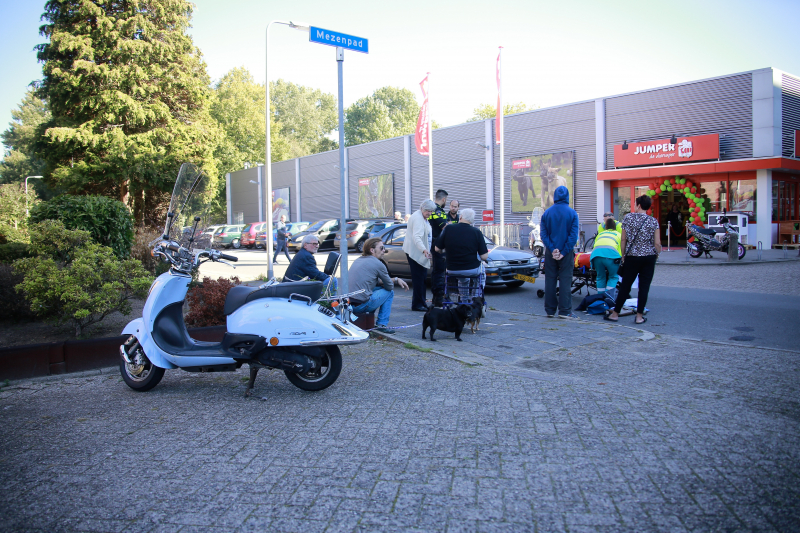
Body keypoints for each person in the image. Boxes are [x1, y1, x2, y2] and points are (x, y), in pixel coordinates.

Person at [606, 195, 661, 325]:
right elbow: (657, 243)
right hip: (648, 258)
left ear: (639, 205)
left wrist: (623, 254)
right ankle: (639, 316)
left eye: (635, 204)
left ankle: (615, 314)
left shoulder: (628, 218)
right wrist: (657, 254)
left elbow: (623, 239)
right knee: (644, 287)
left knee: (625, 285)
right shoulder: (653, 221)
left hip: (631, 257)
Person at [349, 237, 409, 334]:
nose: (384, 251)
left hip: (349, 304)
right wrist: (390, 282)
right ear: (372, 250)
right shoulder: (378, 264)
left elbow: (372, 281)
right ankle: (381, 324)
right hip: (360, 306)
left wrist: (396, 279)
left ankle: (370, 318)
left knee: (379, 289)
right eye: (381, 248)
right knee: (389, 293)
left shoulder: (359, 260)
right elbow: (389, 287)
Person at [540, 185, 580, 319]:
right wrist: (563, 252)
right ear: (567, 196)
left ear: (555, 196)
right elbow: (573, 236)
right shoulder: (572, 213)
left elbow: (544, 235)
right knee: (565, 280)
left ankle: (550, 310)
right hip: (566, 253)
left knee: (550, 280)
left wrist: (552, 249)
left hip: (550, 253)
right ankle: (565, 311)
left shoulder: (547, 213)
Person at [434, 208, 488, 301]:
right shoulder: (476, 232)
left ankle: (464, 300)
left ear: (461, 217)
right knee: (481, 274)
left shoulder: (448, 228)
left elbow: (437, 248)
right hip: (471, 269)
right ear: (472, 220)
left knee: (463, 279)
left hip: (452, 269)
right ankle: (475, 298)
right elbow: (484, 256)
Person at [403, 199, 436, 311]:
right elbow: (416, 237)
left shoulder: (422, 217)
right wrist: (424, 250)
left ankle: (421, 302)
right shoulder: (417, 218)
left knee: (422, 279)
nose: (429, 213)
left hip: (419, 252)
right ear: (422, 208)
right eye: (428, 211)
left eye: (431, 211)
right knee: (419, 279)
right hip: (416, 252)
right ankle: (417, 304)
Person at [589, 217, 622, 302]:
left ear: (605, 227)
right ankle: (608, 297)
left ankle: (600, 298)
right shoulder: (618, 234)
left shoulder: (601, 234)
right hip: (611, 256)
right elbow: (620, 249)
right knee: (613, 277)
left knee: (600, 277)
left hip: (596, 255)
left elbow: (594, 246)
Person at [428, 189, 449, 306]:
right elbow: (444, 227)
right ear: (444, 199)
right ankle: (438, 298)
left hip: (432, 243)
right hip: (438, 244)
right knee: (440, 272)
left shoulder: (431, 209)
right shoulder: (438, 210)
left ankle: (436, 297)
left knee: (436, 271)